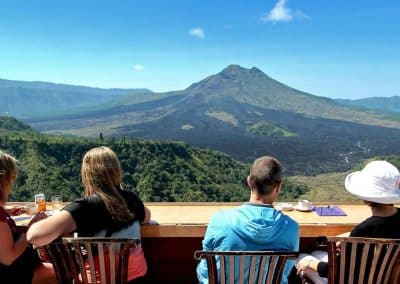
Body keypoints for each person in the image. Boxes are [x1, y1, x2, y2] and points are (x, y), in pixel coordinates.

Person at [27, 146, 151, 283]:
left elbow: (34, 237)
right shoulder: (131, 199)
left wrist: (51, 222)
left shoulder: (83, 207)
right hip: (137, 280)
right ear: (117, 171)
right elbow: (147, 217)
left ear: (87, 174)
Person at [197, 156, 299, 284]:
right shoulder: (291, 228)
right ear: (278, 187)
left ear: (249, 182)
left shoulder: (219, 220)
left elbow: (205, 273)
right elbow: (285, 272)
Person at [296, 160, 400, 279]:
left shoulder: (362, 230)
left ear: (366, 196)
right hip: (387, 279)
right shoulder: (367, 229)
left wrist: (309, 263)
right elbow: (382, 230)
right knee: (316, 254)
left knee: (303, 257)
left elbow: (335, 269)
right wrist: (350, 237)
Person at [0, 150, 56, 284]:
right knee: (62, 270)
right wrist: (30, 228)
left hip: (17, 268)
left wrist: (7, 211)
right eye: (11, 178)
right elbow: (8, 257)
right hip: (13, 275)